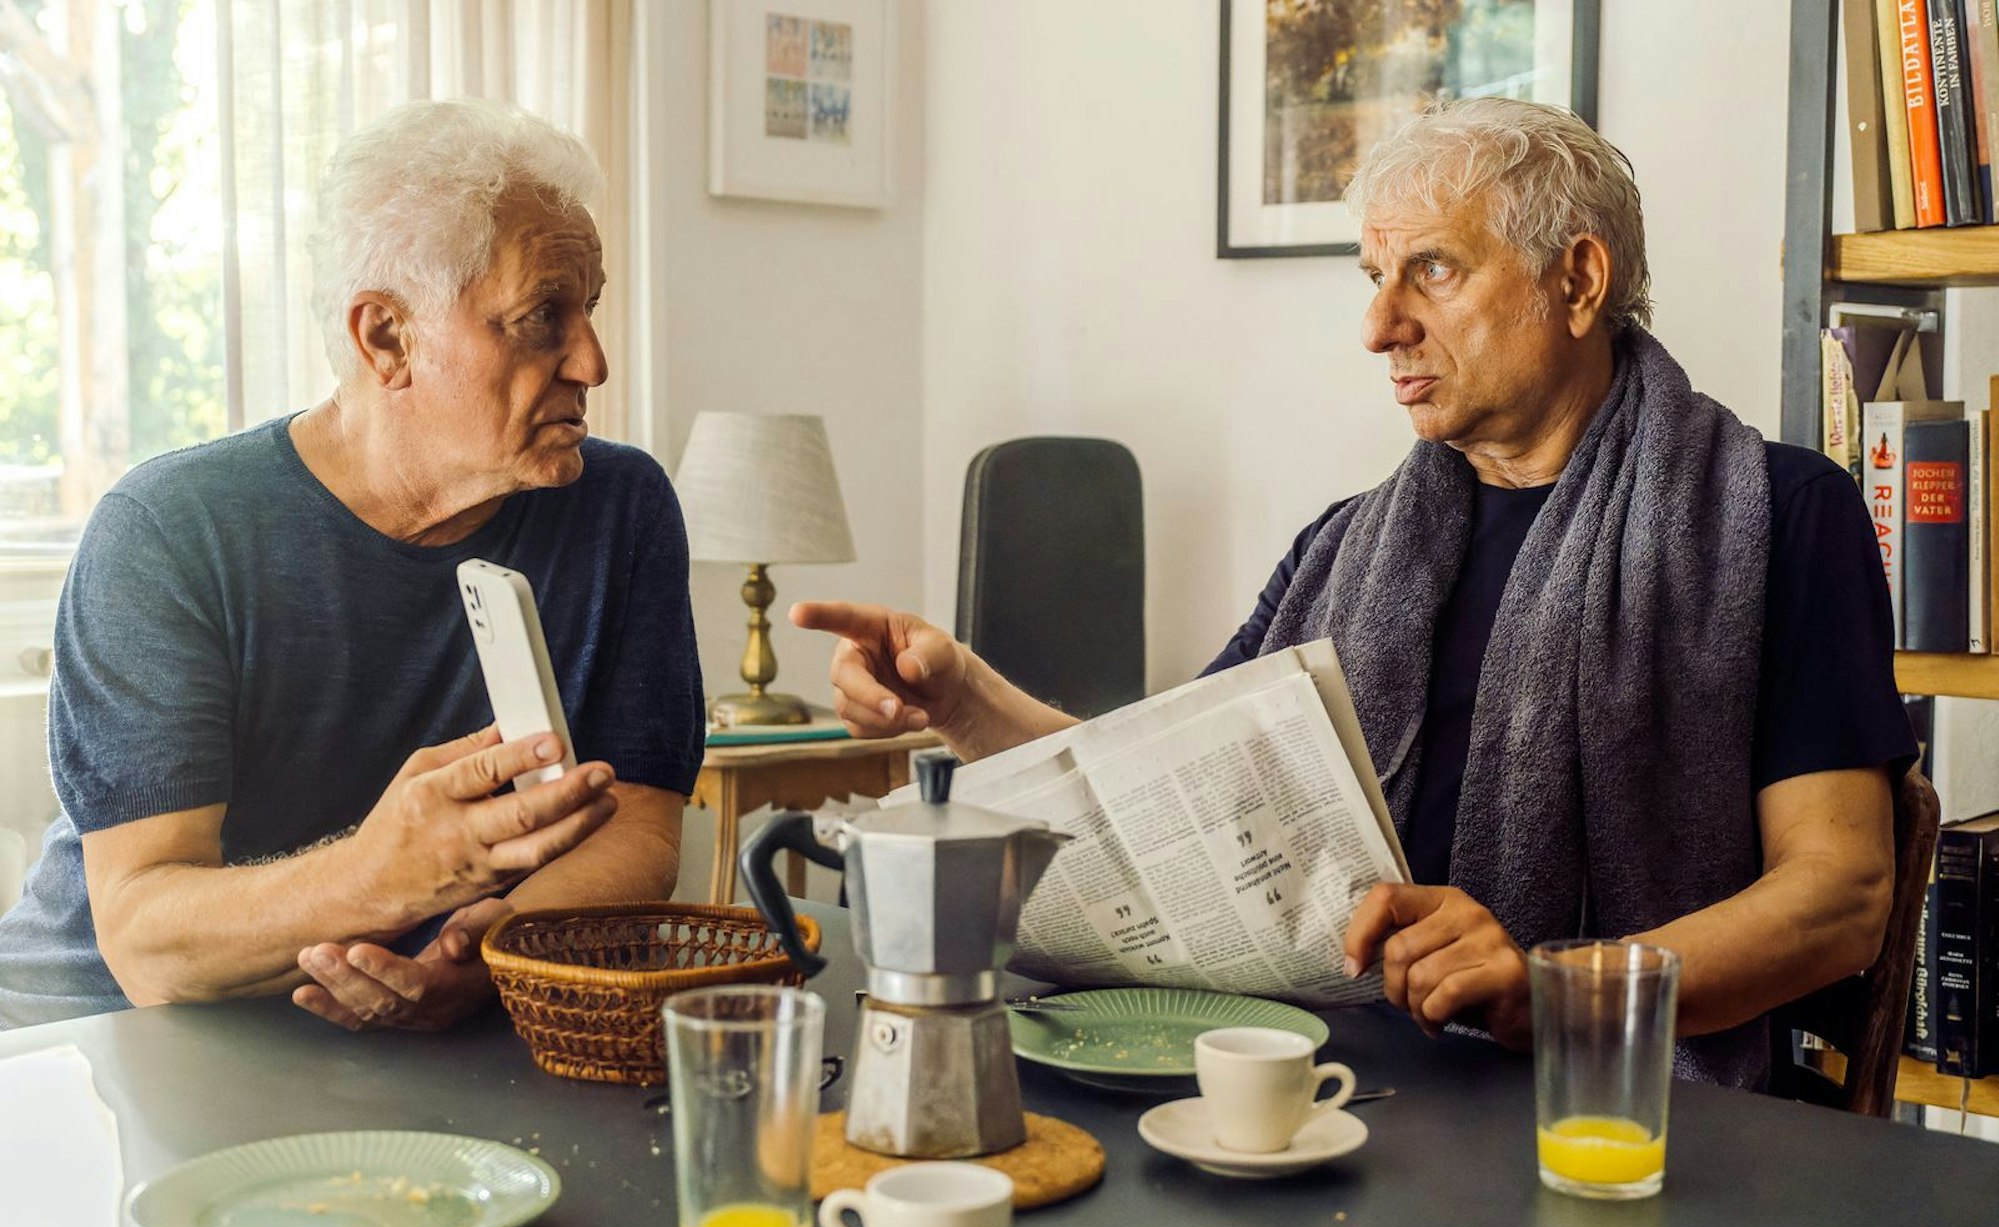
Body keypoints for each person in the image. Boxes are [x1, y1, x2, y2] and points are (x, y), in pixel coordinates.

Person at [791, 98, 1914, 1089]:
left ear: (1577, 279)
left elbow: (1839, 897)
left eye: (1431, 270)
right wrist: (961, 697)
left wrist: (1551, 991)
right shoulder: (1345, 546)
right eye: (1374, 280)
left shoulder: (1776, 515)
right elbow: (1160, 802)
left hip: (1613, 1107)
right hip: (1319, 1082)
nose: (1379, 328)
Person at [0, 99, 705, 1031]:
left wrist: (495, 951)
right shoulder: (168, 531)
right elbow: (144, 944)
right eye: (543, 318)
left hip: (416, 1036)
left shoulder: (621, 509)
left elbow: (641, 827)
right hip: (104, 1038)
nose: (593, 360)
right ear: (386, 338)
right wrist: (384, 878)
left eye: (591, 308)